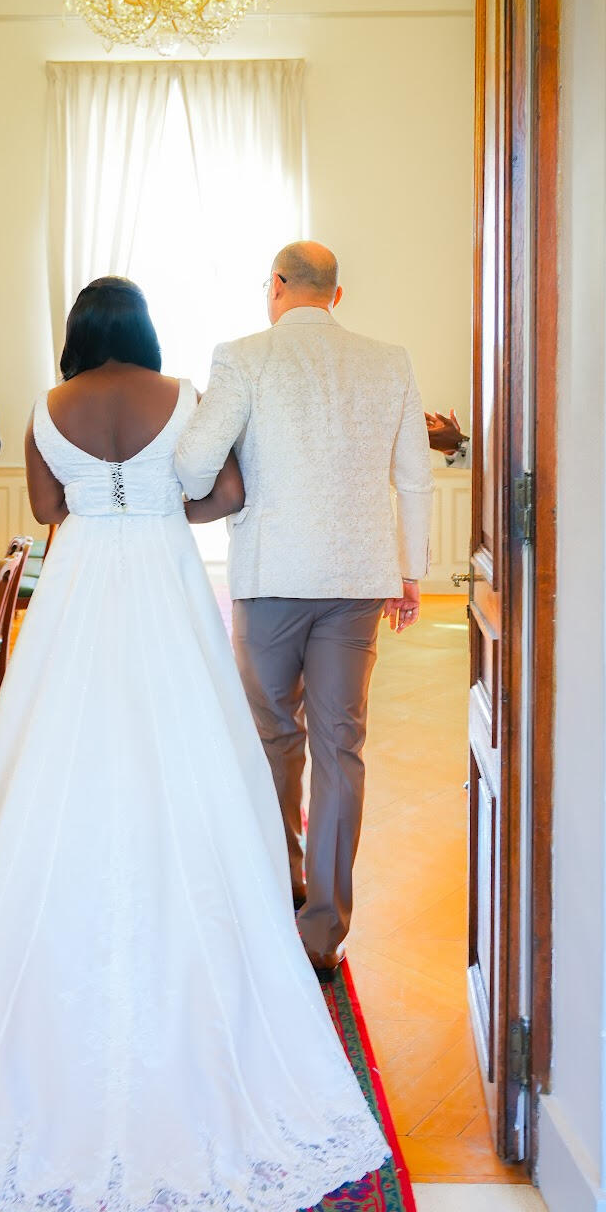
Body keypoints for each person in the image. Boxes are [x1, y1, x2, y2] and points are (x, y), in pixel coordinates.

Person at [0, 278, 389, 1212]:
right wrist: (163, 499)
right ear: (142, 329)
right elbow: (222, 494)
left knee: (64, 758)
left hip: (80, 590)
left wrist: (102, 496)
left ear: (77, 333)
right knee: (186, 750)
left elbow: (49, 507)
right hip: (161, 580)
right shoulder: (183, 397)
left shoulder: (44, 407)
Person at [175, 241, 434, 979]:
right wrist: (410, 573)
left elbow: (193, 466)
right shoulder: (389, 361)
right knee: (340, 746)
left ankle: (277, 884)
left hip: (270, 578)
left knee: (273, 737)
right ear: (337, 295)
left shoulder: (242, 357)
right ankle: (323, 931)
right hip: (358, 580)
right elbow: (415, 477)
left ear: (278, 287)